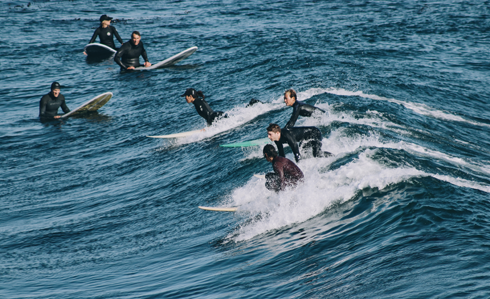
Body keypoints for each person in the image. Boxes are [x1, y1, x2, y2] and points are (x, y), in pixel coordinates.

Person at [266, 123, 331, 163]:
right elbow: (282, 155)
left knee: (317, 154)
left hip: (314, 133)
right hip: (306, 139)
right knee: (304, 154)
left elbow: (295, 150)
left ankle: (334, 157)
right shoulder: (276, 139)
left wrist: (299, 166)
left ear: (277, 133)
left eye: (270, 134)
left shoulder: (286, 135)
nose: (268, 137)